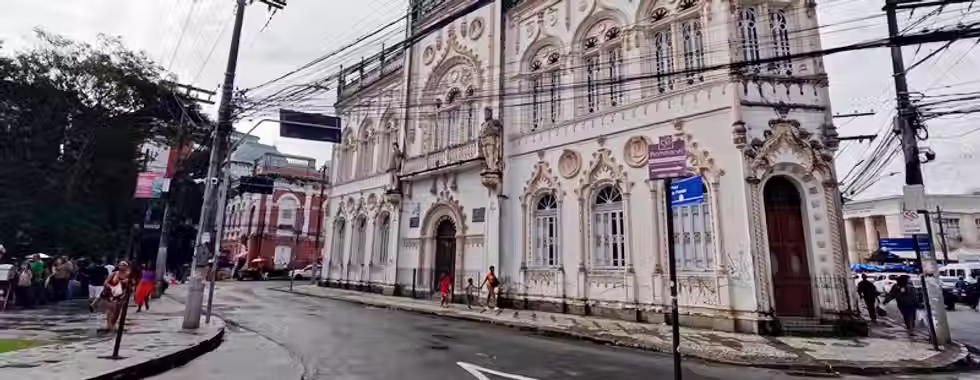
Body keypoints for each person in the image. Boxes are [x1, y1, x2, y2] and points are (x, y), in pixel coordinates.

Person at [103, 261, 132, 332]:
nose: (122, 267)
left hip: (122, 295)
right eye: (120, 265)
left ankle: (113, 324)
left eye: (124, 265)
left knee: (117, 311)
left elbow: (132, 285)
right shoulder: (114, 274)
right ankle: (109, 325)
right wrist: (110, 287)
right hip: (112, 294)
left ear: (126, 267)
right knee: (111, 309)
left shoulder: (128, 275)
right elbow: (106, 282)